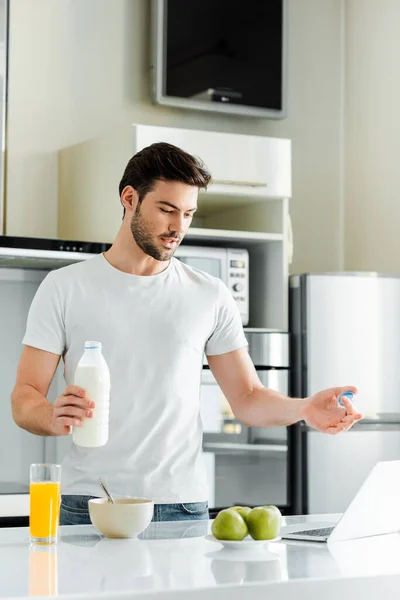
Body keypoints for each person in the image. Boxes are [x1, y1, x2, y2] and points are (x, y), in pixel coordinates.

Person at [11, 142, 363, 525]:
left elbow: (247, 398)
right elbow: (24, 396)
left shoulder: (208, 294)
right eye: (166, 210)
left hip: (181, 508)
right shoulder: (65, 287)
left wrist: (304, 408)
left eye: (189, 213)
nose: (178, 227)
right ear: (130, 198)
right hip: (90, 502)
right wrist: (52, 415)